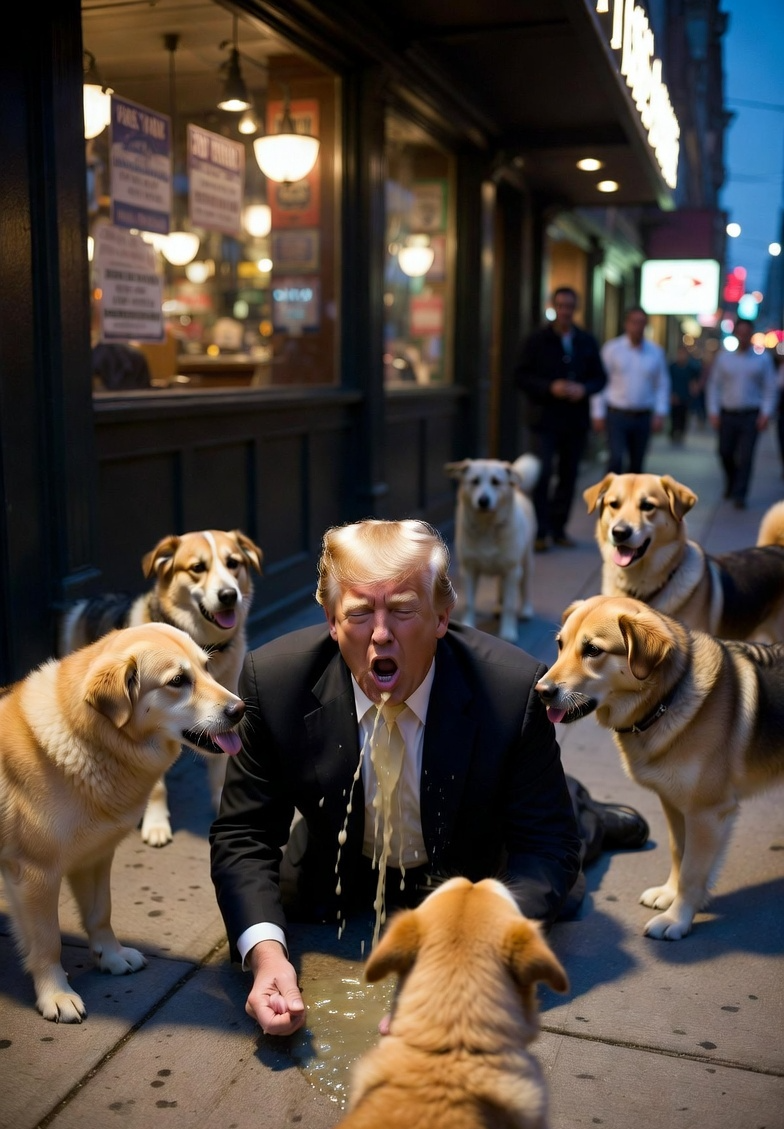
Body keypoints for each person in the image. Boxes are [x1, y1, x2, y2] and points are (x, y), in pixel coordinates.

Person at [209, 518, 649, 1037]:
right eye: (357, 613)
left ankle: (588, 809)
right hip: (342, 867)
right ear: (330, 620)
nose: (379, 633)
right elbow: (243, 833)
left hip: (475, 868)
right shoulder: (273, 679)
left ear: (442, 617)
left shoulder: (510, 690)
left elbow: (546, 846)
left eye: (402, 610)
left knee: (569, 838)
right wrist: (265, 959)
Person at [514, 286, 607, 552]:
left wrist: (584, 389)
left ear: (575, 309)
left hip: (574, 421)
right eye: (561, 306)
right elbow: (520, 376)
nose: (565, 311)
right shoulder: (537, 340)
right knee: (542, 476)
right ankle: (540, 531)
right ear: (554, 307)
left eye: (570, 307)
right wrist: (549, 387)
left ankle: (559, 528)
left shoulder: (586, 341)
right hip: (544, 420)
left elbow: (600, 378)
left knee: (569, 475)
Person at [705, 319, 779, 509]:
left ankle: (740, 493)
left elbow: (770, 388)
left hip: (751, 415)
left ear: (751, 334)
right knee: (724, 452)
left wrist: (765, 413)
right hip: (728, 414)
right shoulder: (724, 359)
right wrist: (713, 411)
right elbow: (714, 386)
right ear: (736, 334)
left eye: (747, 333)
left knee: (746, 456)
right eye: (741, 332)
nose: (744, 337)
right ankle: (731, 482)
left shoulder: (762, 360)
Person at [591, 306, 670, 473]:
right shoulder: (612, 349)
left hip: (643, 415)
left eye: (642, 323)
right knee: (616, 459)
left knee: (637, 464)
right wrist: (597, 413)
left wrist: (660, 412)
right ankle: (610, 496)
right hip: (617, 414)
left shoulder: (655, 352)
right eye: (634, 322)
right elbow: (600, 381)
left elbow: (662, 384)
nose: (638, 327)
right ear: (626, 324)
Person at [668, 343, 702, 444]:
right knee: (674, 416)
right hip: (675, 396)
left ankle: (681, 432)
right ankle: (673, 432)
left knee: (683, 415)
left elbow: (696, 379)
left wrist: (694, 388)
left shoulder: (690, 368)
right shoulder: (672, 367)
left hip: (685, 396)